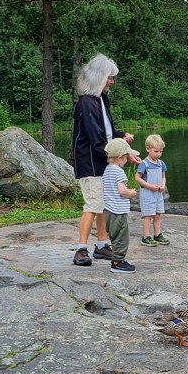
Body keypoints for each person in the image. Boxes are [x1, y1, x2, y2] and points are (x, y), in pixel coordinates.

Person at [71, 54, 139, 266]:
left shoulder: (101, 100)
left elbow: (106, 132)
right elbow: (96, 139)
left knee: (103, 204)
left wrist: (121, 136)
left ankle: (101, 245)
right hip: (90, 163)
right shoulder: (86, 103)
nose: (112, 82)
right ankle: (80, 250)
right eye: (109, 77)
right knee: (92, 204)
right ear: (98, 77)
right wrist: (123, 153)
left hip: (103, 161)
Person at [102, 138, 139, 273]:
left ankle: (117, 260)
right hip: (118, 212)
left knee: (114, 236)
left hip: (108, 211)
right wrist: (132, 193)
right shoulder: (119, 172)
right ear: (119, 158)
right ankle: (117, 262)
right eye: (126, 157)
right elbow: (122, 191)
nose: (127, 160)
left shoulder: (107, 170)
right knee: (122, 238)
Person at [135, 134, 168, 247]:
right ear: (148, 149)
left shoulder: (161, 164)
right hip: (148, 194)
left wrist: (163, 185)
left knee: (158, 215)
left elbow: (163, 176)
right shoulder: (144, 164)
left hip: (158, 194)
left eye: (160, 151)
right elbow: (137, 178)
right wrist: (149, 186)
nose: (158, 154)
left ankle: (157, 234)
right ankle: (146, 237)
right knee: (148, 215)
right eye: (156, 151)